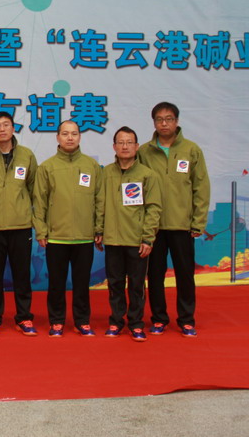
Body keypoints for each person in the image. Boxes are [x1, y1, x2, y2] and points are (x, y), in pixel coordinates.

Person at [137, 102, 210, 338]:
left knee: (185, 274)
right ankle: (159, 318)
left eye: (169, 119)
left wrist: (198, 221)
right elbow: (137, 188)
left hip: (182, 225)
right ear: (154, 123)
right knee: (154, 276)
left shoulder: (191, 150)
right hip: (154, 227)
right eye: (159, 119)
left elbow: (201, 187)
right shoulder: (144, 152)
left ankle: (186, 319)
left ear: (177, 121)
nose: (164, 124)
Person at [32, 120, 102, 339]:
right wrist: (41, 231)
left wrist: (99, 228)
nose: (70, 137)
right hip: (56, 237)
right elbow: (39, 202)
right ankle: (57, 321)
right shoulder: (47, 167)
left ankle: (82, 321)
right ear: (58, 137)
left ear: (80, 137)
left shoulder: (91, 166)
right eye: (65, 133)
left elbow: (100, 199)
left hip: (84, 237)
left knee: (82, 283)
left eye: (74, 133)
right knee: (56, 283)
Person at [95, 126, 162, 342]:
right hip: (113, 240)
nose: (125, 146)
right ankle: (116, 321)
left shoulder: (147, 175)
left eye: (129, 142)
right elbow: (100, 204)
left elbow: (154, 208)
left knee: (136, 284)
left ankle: (136, 323)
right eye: (121, 142)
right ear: (114, 146)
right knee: (114, 283)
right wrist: (99, 229)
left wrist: (148, 238)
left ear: (137, 146)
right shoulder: (106, 173)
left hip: (136, 240)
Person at [0, 111, 38, 338]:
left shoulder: (27, 155)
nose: (2, 129)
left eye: (6, 125)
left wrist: (35, 219)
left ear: (13, 128)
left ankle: (24, 317)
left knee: (22, 275)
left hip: (21, 225)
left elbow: (34, 189)